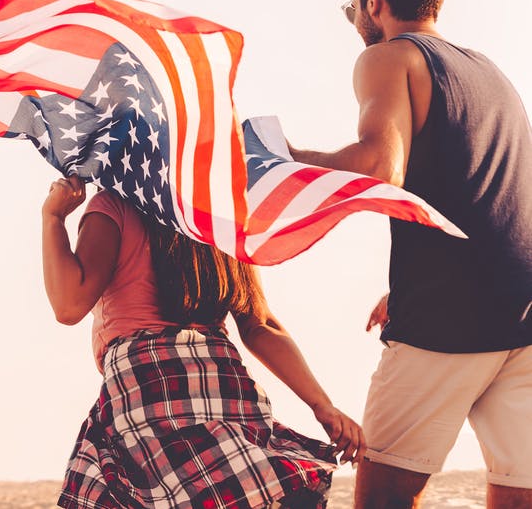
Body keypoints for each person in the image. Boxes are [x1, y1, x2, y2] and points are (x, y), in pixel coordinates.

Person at [290, 0, 532, 509]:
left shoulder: (390, 56)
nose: (356, 23)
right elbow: (493, 196)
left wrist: (285, 158)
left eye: (353, 10)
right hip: (522, 311)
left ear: (372, 0)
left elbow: (380, 167)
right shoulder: (492, 73)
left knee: (383, 497)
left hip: (449, 318)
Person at [41, 176, 364, 509]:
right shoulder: (219, 217)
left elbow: (69, 305)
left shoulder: (114, 205)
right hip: (224, 380)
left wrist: (53, 218)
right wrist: (321, 404)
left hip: (147, 382)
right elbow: (260, 325)